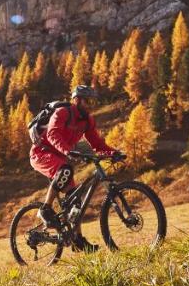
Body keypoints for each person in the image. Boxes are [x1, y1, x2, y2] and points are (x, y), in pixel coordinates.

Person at [28, 85, 123, 244]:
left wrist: (114, 153)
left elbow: (97, 143)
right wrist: (67, 151)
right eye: (88, 101)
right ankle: (45, 209)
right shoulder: (63, 113)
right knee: (65, 169)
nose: (91, 105)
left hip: (59, 156)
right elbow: (52, 134)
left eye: (93, 102)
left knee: (75, 200)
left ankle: (77, 240)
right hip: (41, 153)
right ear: (77, 100)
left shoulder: (88, 120)